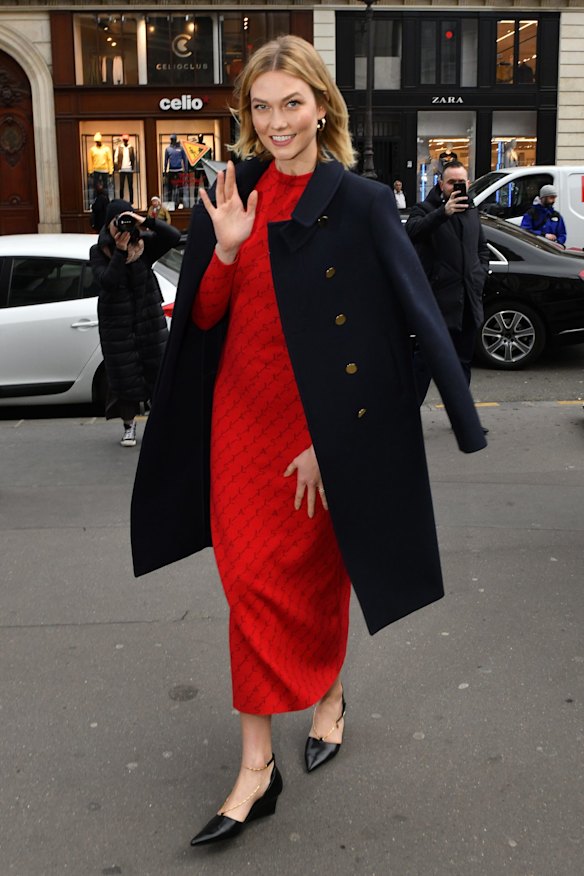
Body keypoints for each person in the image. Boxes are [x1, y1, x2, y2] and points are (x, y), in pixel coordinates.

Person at [130, 35, 486, 848]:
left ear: (321, 106)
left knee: (317, 578)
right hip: (238, 425)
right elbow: (204, 324)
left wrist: (339, 443)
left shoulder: (359, 202)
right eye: (262, 106)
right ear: (248, 117)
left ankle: (327, 696)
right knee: (248, 586)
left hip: (316, 431)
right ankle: (258, 767)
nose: (278, 121)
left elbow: (403, 328)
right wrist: (222, 250)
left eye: (292, 103)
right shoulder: (233, 192)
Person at [90, 199, 180, 447]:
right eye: (119, 220)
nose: (124, 225)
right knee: (124, 376)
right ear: (110, 223)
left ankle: (161, 425)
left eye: (127, 218)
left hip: (147, 319)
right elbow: (107, 282)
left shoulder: (143, 244)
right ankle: (128, 426)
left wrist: (145, 221)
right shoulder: (99, 251)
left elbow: (173, 237)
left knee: (156, 373)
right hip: (117, 324)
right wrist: (119, 252)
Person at [405, 161, 490, 405]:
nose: (456, 186)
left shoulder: (472, 210)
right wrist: (443, 213)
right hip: (437, 303)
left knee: (462, 363)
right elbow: (412, 232)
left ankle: (463, 419)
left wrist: (479, 275)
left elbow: (481, 248)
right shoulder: (426, 209)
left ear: (468, 184)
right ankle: (408, 417)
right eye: (451, 182)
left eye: (460, 182)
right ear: (441, 184)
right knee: (425, 362)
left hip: (467, 302)